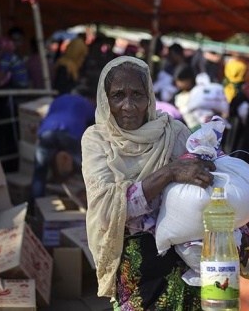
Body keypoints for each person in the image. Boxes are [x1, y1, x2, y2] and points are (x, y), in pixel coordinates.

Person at [81, 56, 217, 308]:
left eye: (137, 95)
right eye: (117, 95)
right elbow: (111, 208)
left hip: (182, 260)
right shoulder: (97, 140)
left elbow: (201, 185)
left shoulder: (173, 132)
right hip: (134, 263)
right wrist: (169, 173)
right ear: (105, 98)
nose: (128, 106)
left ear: (149, 97)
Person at [31, 82, 97, 202]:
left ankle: (35, 208)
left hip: (46, 132)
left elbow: (46, 117)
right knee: (86, 169)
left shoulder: (59, 99)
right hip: (71, 133)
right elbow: (96, 127)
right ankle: (90, 203)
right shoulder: (87, 103)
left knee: (40, 171)